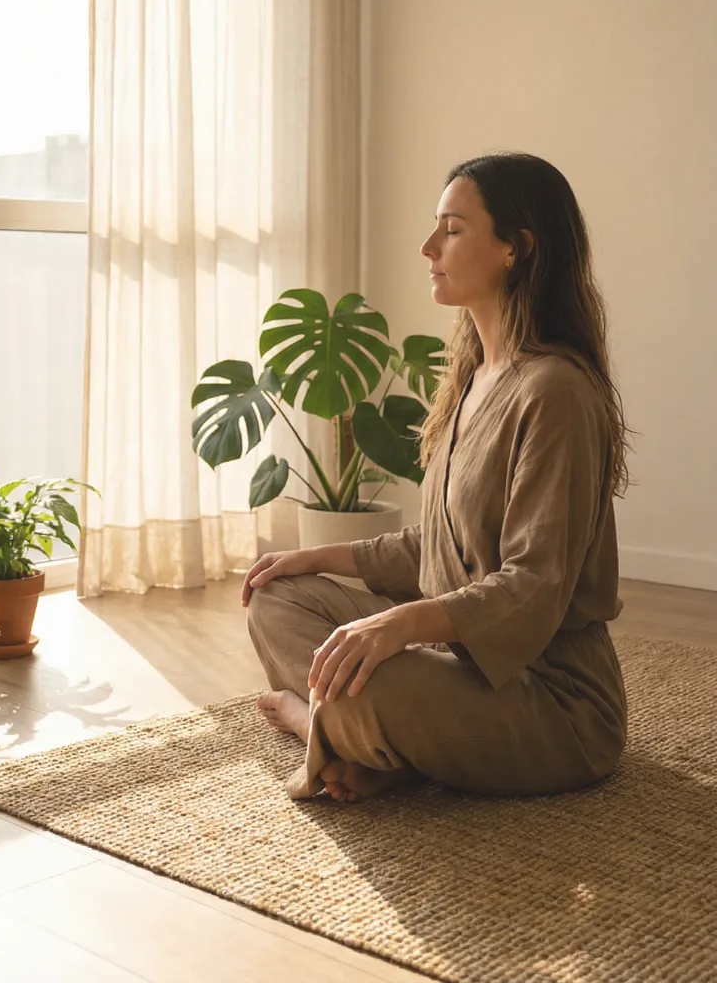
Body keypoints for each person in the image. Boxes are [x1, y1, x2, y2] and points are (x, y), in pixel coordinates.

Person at [245, 152, 630, 804]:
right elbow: (440, 547)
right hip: (458, 667)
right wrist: (313, 557)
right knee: (278, 599)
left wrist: (399, 628)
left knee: (364, 681)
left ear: (517, 248)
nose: (428, 247)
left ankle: (318, 722)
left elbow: (533, 584)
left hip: (552, 704)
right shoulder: (472, 378)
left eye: (452, 229)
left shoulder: (556, 391)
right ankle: (370, 738)